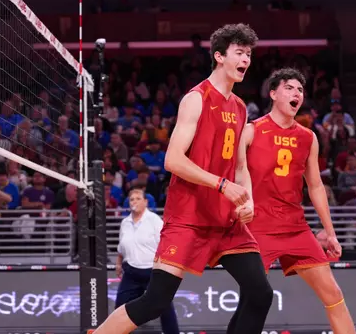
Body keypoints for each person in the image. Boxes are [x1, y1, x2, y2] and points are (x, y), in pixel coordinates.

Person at [94, 23, 274, 334]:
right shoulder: (197, 99)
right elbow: (173, 160)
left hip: (225, 220)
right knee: (155, 301)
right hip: (188, 216)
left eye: (249, 54)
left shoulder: (241, 107)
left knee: (260, 293)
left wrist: (249, 198)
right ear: (219, 56)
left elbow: (241, 165)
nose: (246, 59)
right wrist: (221, 184)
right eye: (239, 53)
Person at [237, 68, 356, 334]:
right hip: (258, 228)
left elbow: (315, 186)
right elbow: (235, 172)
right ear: (273, 93)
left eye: (300, 90)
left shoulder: (308, 137)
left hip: (296, 227)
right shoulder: (251, 131)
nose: (297, 94)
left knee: (333, 294)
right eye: (290, 88)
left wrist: (330, 232)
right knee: (253, 300)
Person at [115, 188, 179, 334]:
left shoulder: (154, 221)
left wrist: (166, 267)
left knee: (164, 306)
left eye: (138, 199)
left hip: (153, 272)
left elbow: (166, 244)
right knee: (120, 306)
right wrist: (118, 263)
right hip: (131, 272)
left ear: (145, 202)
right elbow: (121, 247)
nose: (134, 202)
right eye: (132, 199)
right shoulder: (125, 223)